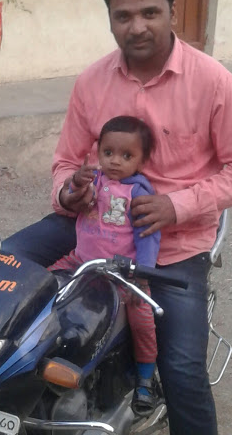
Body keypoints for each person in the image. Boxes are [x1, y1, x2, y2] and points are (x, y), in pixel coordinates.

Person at [2, 0, 232, 434]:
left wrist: (176, 205)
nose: (137, 26)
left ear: (172, 12)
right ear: (110, 20)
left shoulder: (213, 82)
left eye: (150, 12)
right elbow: (65, 160)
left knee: (182, 368)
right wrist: (70, 192)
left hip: (170, 245)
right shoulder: (92, 82)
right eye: (123, 16)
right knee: (2, 272)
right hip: (90, 226)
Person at [48, 115, 160, 416]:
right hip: (81, 260)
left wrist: (142, 277)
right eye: (108, 153)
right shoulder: (94, 180)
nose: (115, 161)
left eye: (126, 156)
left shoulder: (139, 193)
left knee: (142, 320)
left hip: (122, 274)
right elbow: (72, 198)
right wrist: (75, 183)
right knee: (42, 286)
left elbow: (148, 237)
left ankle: (145, 377)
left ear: (142, 160)